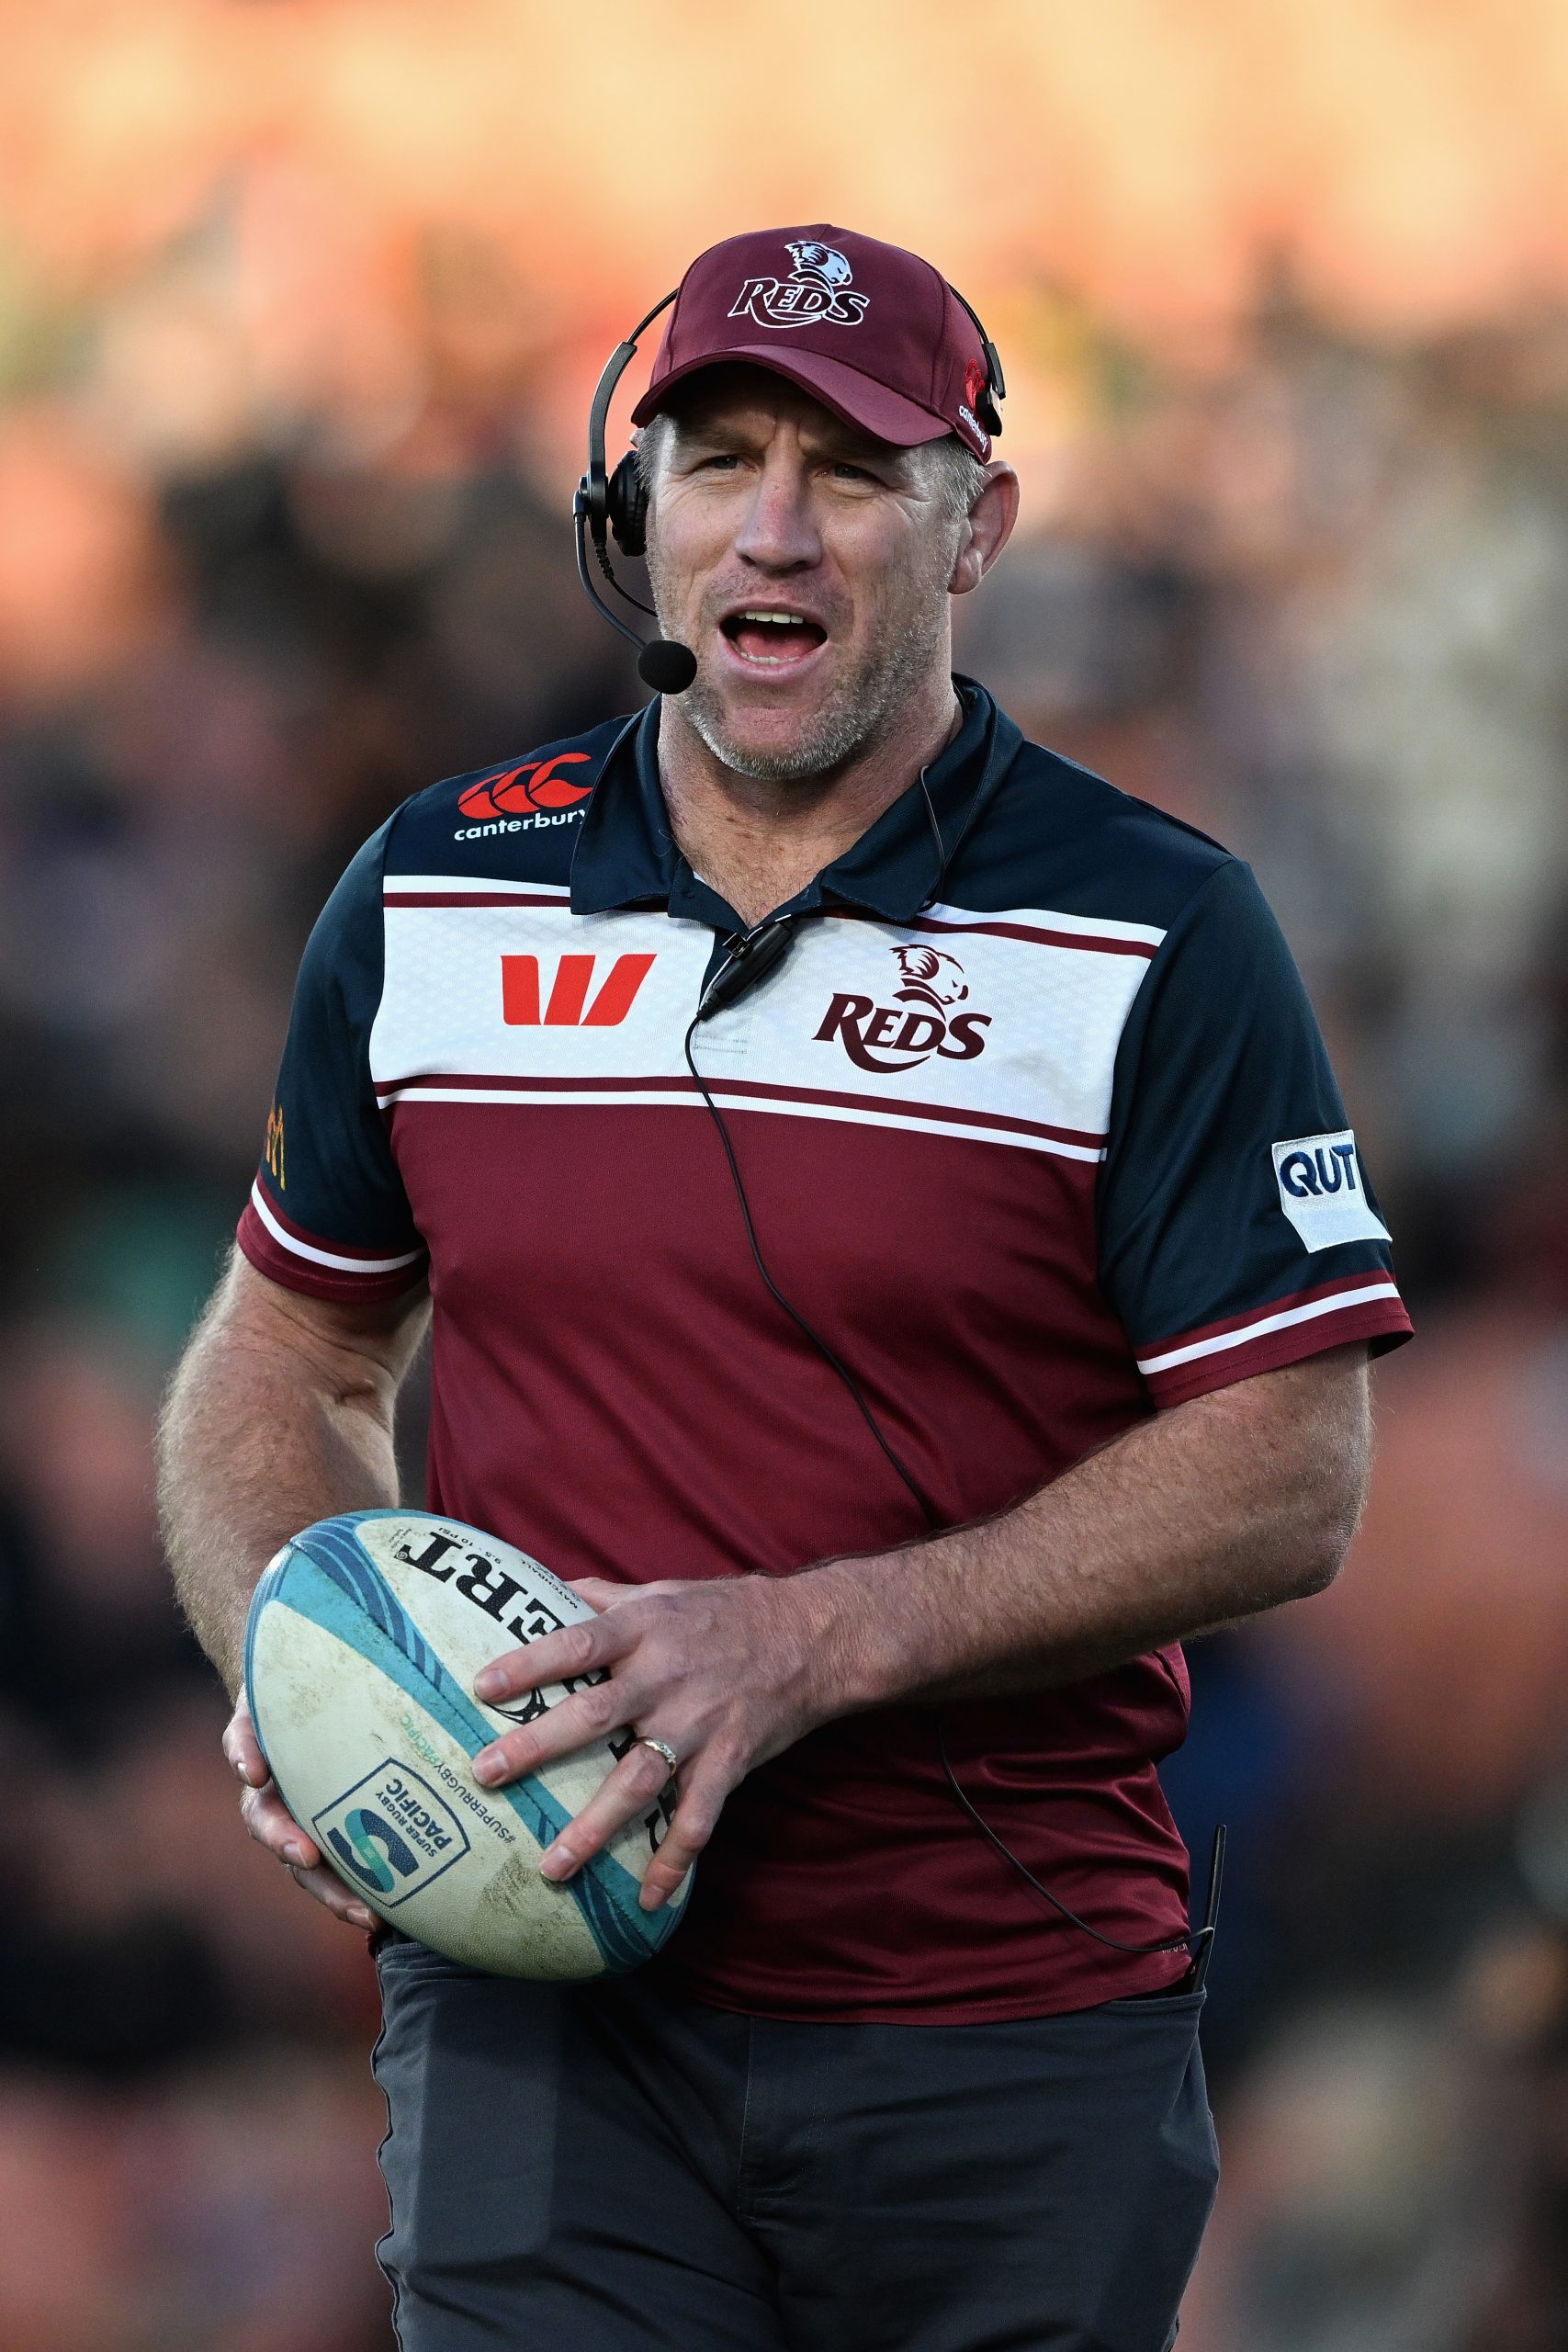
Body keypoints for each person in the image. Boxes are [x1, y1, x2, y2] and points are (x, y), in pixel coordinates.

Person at [159, 223, 1413, 2352]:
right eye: (716, 452)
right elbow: (286, 1338)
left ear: (974, 527)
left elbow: (1288, 1467)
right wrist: (295, 1633)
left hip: (1002, 2017)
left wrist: (809, 1638)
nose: (772, 525)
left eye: (850, 468)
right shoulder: (434, 885)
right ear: (625, 508)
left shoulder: (1156, 925)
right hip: (544, 2003)